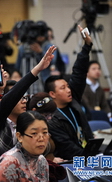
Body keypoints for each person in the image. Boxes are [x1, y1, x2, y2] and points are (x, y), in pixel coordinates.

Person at [0, 45, 57, 181]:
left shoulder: (25, 123)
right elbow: (8, 101)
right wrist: (36, 70)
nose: (23, 101)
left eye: (25, 98)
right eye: (18, 97)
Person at [44, 25, 94, 160]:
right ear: (52, 94)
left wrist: (87, 46)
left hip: (87, 153)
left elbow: (79, 72)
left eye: (68, 86)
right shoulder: (51, 119)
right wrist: (89, 157)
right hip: (71, 161)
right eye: (63, 88)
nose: (68, 90)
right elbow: (67, 148)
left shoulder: (73, 99)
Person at [0, 111, 50, 182]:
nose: (41, 139)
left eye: (45, 133)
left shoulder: (41, 160)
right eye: (34, 133)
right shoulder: (8, 164)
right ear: (20, 136)